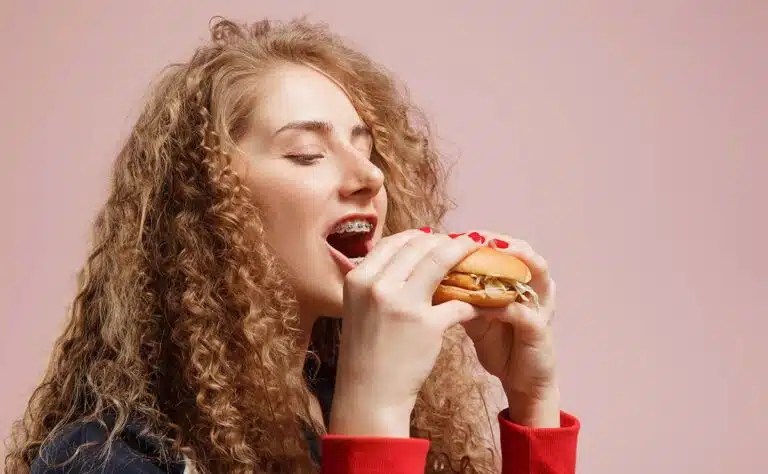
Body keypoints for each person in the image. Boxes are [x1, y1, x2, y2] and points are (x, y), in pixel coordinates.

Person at [4, 16, 580, 474]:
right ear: (211, 203)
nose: (370, 176)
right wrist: (372, 417)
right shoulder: (109, 457)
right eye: (306, 152)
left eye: (367, 147)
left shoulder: (337, 402)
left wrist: (533, 406)